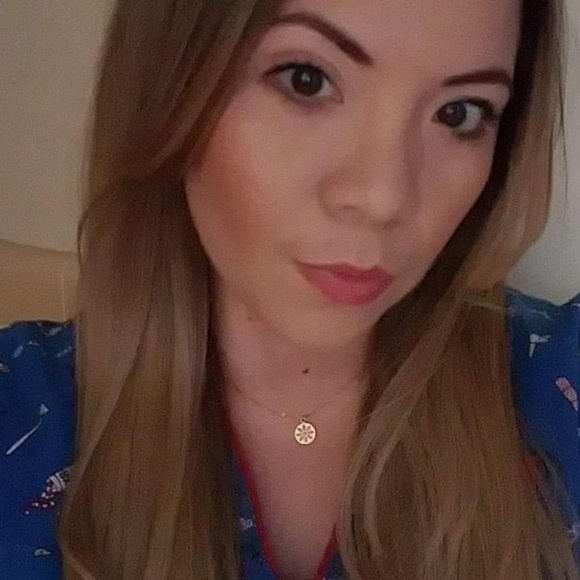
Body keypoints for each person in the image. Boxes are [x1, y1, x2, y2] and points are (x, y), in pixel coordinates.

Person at [1, 0, 579, 578]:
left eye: (459, 113)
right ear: (171, 86)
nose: (384, 198)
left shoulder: (559, 380)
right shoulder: (20, 413)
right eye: (308, 79)